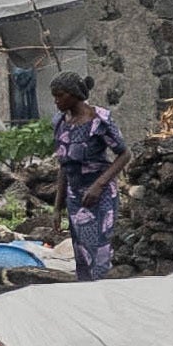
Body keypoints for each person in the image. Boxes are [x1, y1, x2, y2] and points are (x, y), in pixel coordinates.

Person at [45, 69, 125, 279]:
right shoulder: (61, 123)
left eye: (60, 95)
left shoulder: (99, 121)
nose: (56, 101)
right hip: (75, 197)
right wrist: (57, 207)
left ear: (73, 94)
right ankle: (88, 300)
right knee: (81, 255)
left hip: (100, 196)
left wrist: (99, 185)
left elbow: (124, 154)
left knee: (100, 254)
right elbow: (65, 165)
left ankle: (104, 302)